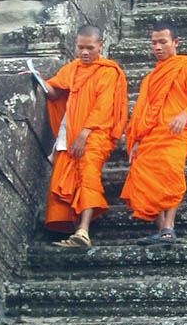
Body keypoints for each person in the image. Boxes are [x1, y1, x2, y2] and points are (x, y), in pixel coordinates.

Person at [23, 24, 128, 247]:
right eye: (81, 47)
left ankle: (83, 231)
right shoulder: (73, 68)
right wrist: (39, 79)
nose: (85, 52)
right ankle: (72, 229)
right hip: (69, 132)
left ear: (101, 45)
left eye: (90, 47)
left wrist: (85, 132)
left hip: (95, 132)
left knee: (88, 175)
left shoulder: (108, 71)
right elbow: (54, 92)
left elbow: (104, 105)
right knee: (66, 177)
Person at [120, 20, 187, 244]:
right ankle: (162, 230)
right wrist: (135, 139)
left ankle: (169, 226)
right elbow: (141, 110)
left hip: (175, 134)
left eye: (163, 42)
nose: (158, 47)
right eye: (154, 43)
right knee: (143, 179)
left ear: (175, 42)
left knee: (171, 175)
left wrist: (185, 114)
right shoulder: (149, 79)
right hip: (149, 137)